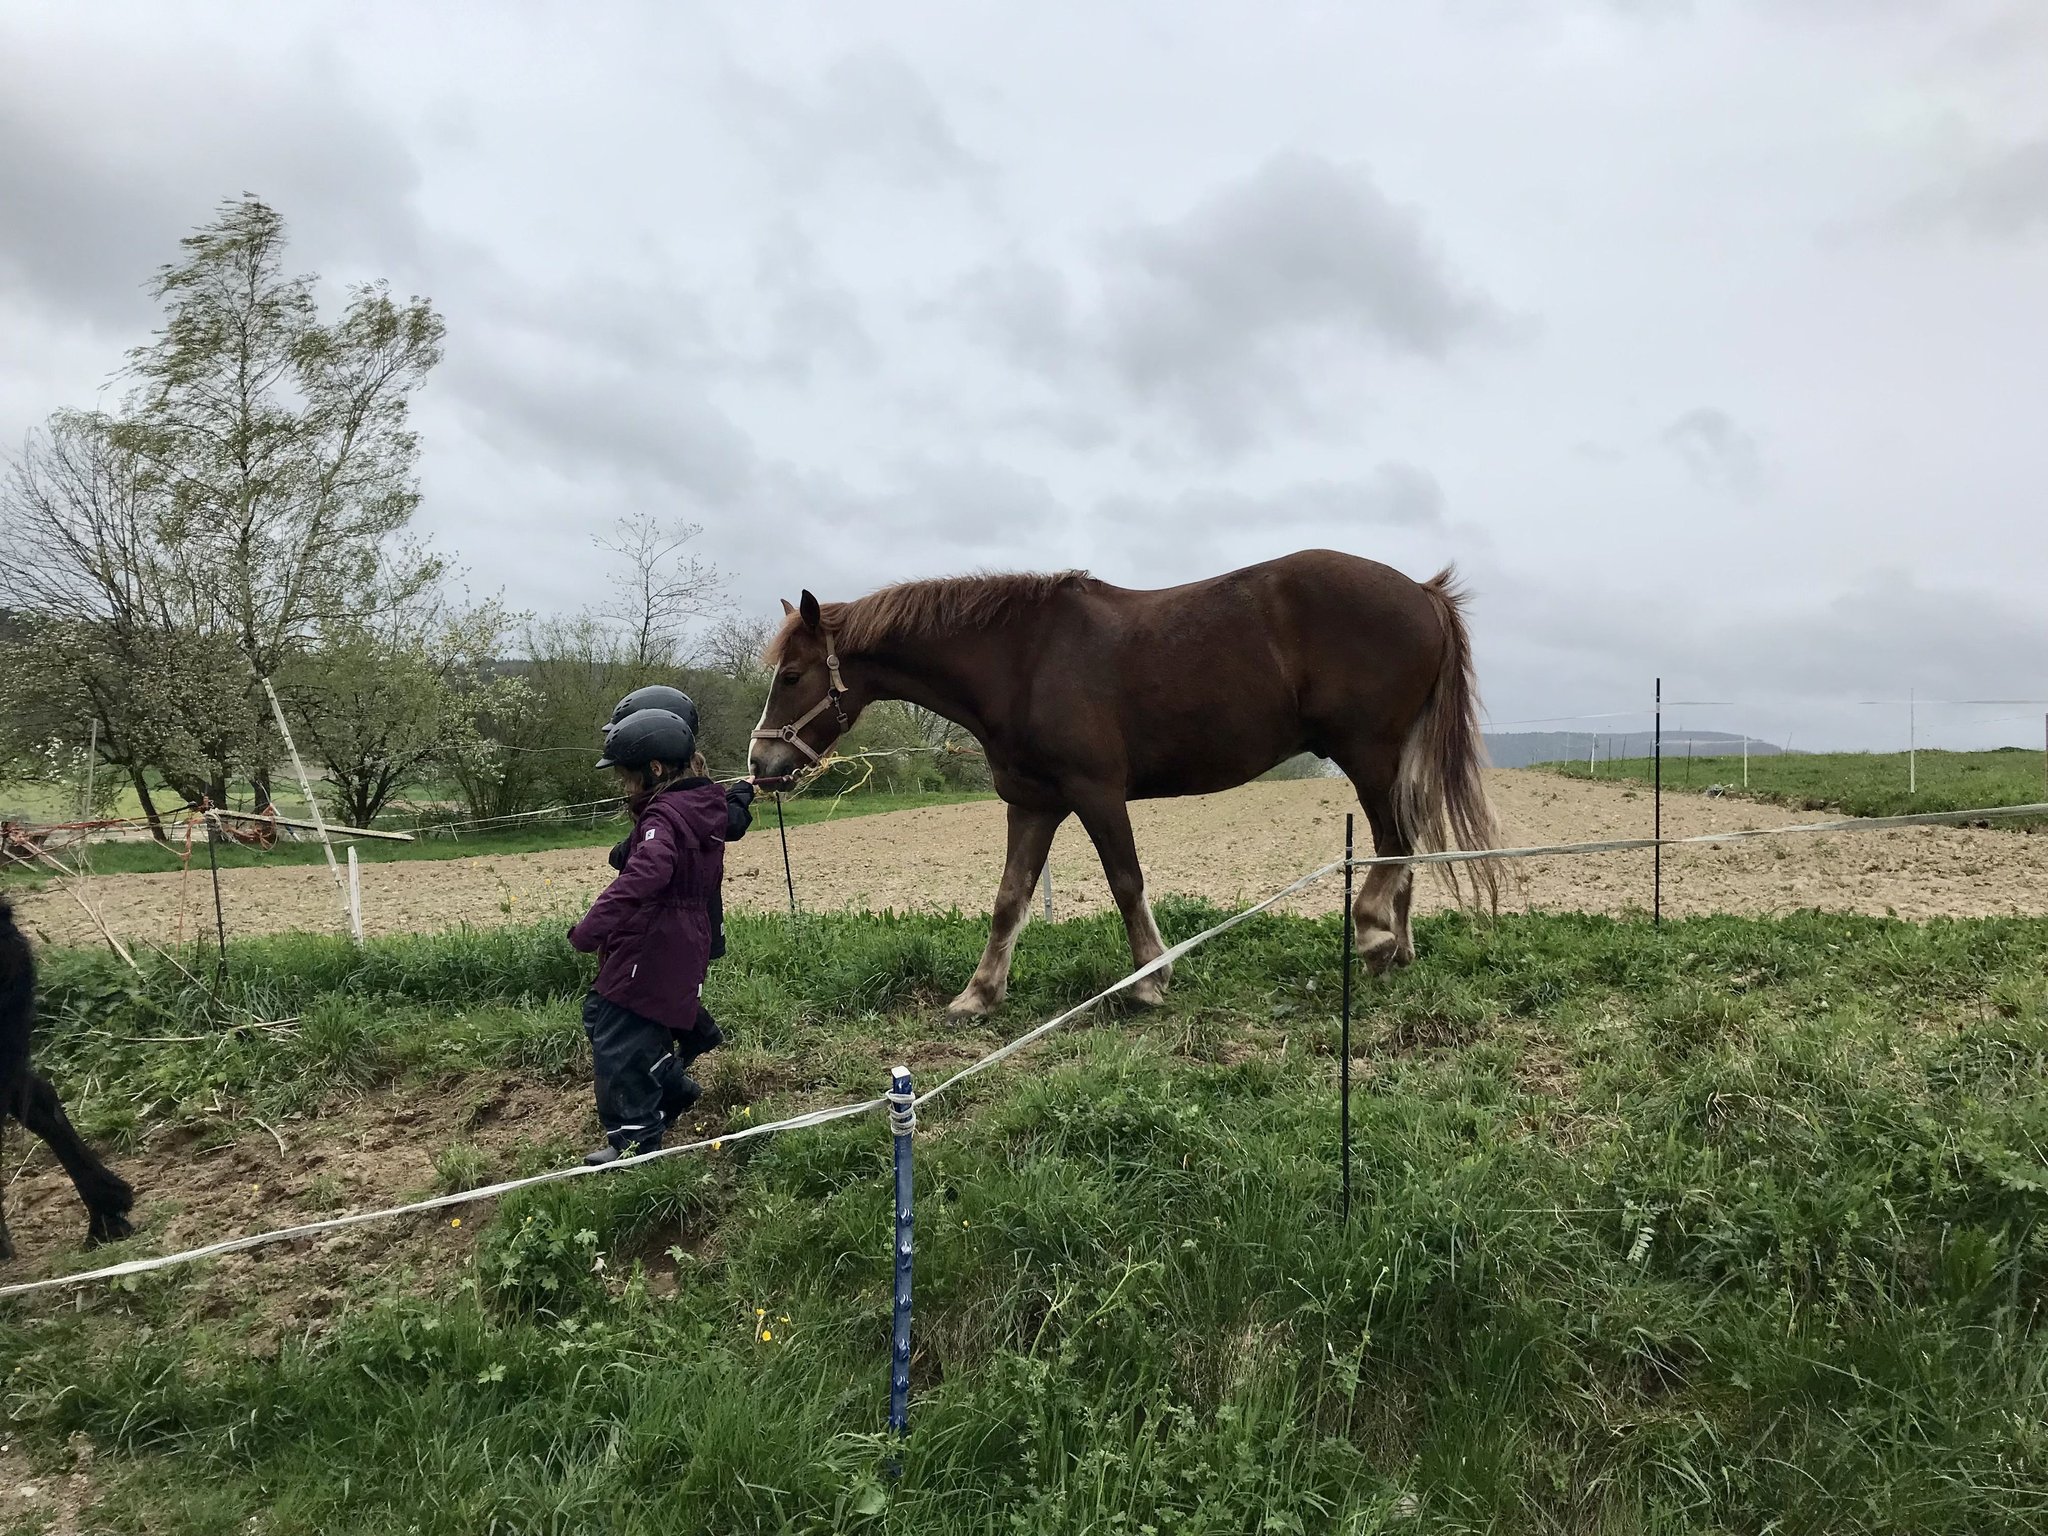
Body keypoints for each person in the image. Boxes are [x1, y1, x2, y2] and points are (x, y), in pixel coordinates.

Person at [568, 708, 732, 1165]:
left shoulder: (663, 815)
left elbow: (649, 871)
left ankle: (634, 1141)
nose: (625, 788)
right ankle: (675, 1085)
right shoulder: (695, 804)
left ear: (654, 769)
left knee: (618, 1040)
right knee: (601, 1015)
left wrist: (591, 928)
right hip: (676, 934)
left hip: (656, 939)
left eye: (627, 778)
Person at [601, 689, 755, 1065]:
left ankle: (676, 1050)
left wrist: (741, 795)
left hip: (683, 908)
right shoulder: (672, 790)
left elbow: (726, 822)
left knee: (660, 985)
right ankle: (682, 1042)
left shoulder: (687, 793)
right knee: (659, 983)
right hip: (669, 907)